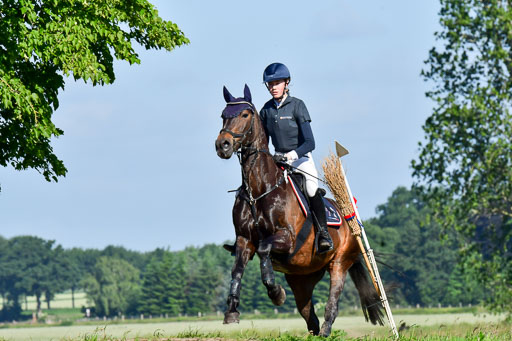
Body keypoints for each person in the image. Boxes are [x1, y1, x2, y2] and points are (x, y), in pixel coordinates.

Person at [259, 62, 333, 253]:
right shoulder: (266, 110)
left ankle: (323, 234)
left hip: (300, 159)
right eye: (270, 84)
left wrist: (291, 155)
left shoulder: (298, 106)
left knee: (311, 188)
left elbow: (310, 143)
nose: (273, 87)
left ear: (287, 83)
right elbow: (264, 143)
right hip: (278, 162)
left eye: (277, 83)